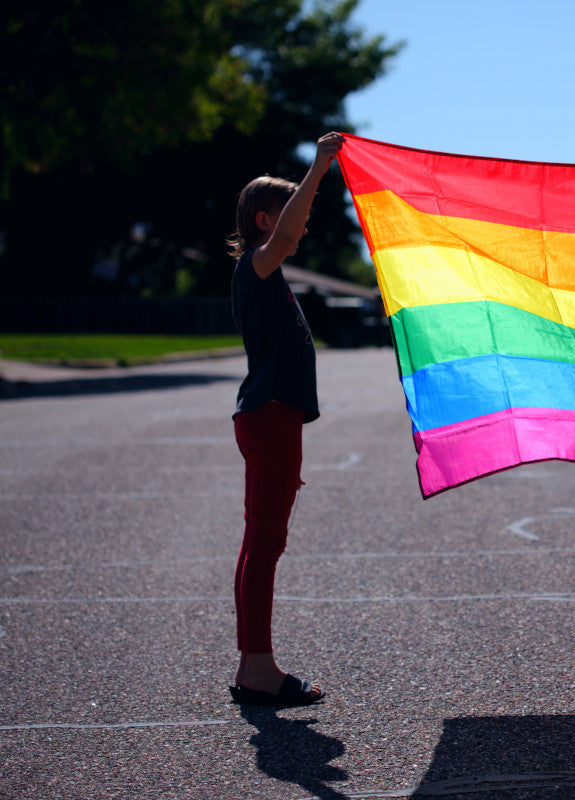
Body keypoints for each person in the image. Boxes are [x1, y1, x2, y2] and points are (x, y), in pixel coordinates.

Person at [226, 131, 344, 706]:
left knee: (260, 542)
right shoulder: (259, 263)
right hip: (270, 416)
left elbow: (296, 225)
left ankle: (255, 663)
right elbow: (294, 227)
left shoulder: (266, 273)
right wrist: (320, 166)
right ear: (265, 219)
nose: (302, 226)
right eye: (290, 212)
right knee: (266, 542)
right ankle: (259, 670)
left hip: (271, 415)